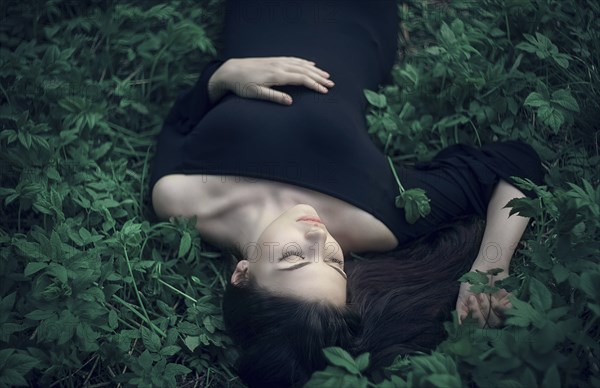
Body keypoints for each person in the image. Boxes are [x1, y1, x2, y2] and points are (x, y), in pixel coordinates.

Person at [148, 1, 544, 386]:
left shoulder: (180, 200)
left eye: (293, 257)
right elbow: (514, 163)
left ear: (242, 273)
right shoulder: (374, 219)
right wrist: (490, 266)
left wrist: (223, 76)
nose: (320, 236)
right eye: (334, 261)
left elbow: (180, 123)